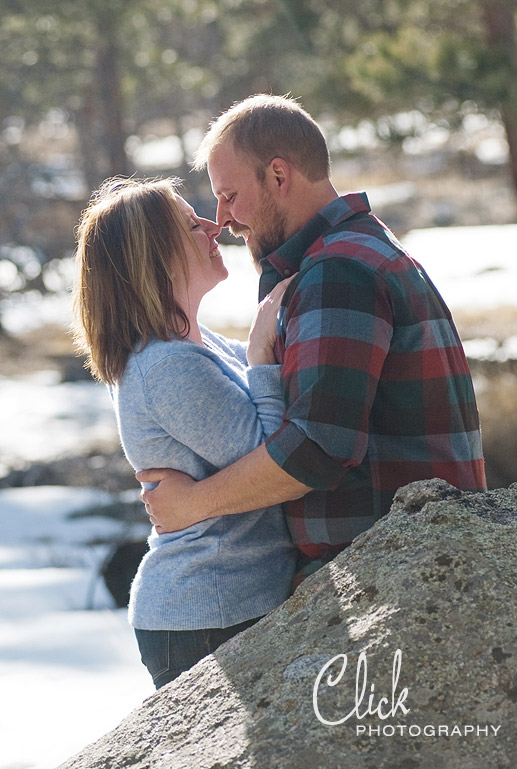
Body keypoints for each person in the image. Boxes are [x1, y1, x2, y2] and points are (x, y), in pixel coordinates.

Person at [138, 93, 487, 583]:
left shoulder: (338, 270)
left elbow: (318, 449)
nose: (223, 220)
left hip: (395, 571)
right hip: (408, 558)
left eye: (230, 195)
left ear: (279, 176)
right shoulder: (356, 250)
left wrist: (192, 504)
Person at [72, 176, 296, 688]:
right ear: (154, 254)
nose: (213, 226)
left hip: (225, 600)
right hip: (206, 608)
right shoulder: (166, 367)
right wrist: (261, 354)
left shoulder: (195, 345)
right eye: (190, 224)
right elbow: (274, 454)